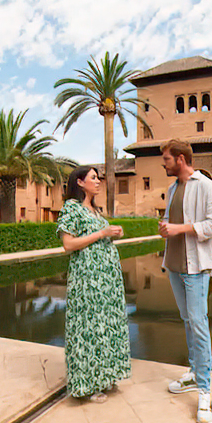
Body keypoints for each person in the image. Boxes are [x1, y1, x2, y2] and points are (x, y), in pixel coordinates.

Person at [158, 139, 212, 423]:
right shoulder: (173, 188)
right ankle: (194, 374)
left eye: (167, 159)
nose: (164, 163)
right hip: (174, 266)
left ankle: (206, 393)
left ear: (181, 159)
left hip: (195, 268)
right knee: (188, 321)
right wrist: (165, 228)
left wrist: (181, 228)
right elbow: (169, 220)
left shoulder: (206, 186)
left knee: (199, 323)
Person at [56, 166, 131, 403]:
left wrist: (111, 233)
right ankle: (87, 384)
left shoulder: (95, 210)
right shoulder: (71, 208)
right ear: (79, 182)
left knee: (105, 325)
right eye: (93, 178)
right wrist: (102, 233)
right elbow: (68, 244)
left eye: (98, 178)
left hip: (106, 280)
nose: (98, 182)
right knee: (89, 327)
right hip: (88, 278)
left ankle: (105, 377)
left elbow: (99, 233)